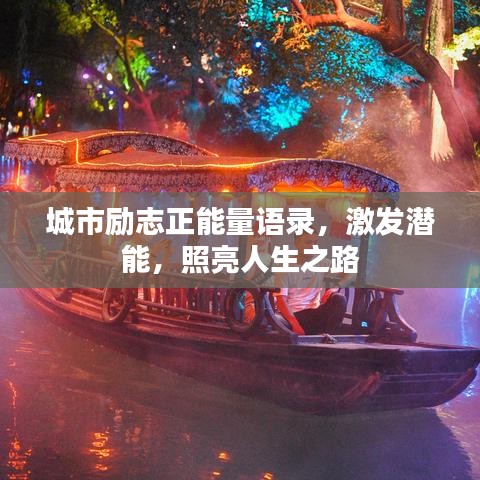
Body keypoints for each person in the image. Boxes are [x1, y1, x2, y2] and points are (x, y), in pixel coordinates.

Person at [274, 230, 355, 336]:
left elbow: (352, 272)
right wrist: (295, 325)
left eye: (315, 242)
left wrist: (336, 287)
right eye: (308, 242)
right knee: (277, 320)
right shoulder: (284, 265)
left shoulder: (321, 262)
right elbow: (281, 300)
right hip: (293, 315)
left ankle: (328, 337)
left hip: (314, 313)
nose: (313, 246)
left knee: (339, 299)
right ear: (296, 244)